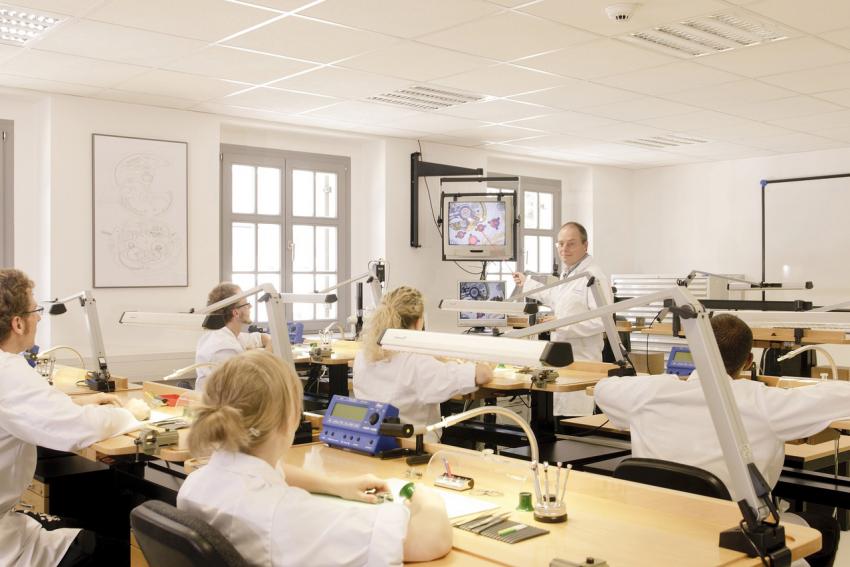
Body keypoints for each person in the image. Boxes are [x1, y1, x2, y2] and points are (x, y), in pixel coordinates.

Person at [596, 314, 845, 567]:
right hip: (734, 536)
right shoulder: (764, 403)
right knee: (826, 527)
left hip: (657, 528)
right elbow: (840, 397)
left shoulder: (648, 394)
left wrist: (656, 382)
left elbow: (603, 388)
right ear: (748, 362)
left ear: (695, 351)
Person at [178, 350, 452, 565]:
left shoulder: (197, 483)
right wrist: (424, 495)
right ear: (289, 421)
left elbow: (273, 472)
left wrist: (336, 486)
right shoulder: (288, 516)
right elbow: (432, 539)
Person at [0, 268, 139, 566]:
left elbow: (30, 410)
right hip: (4, 546)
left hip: (8, 525)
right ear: (18, 323)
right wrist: (129, 414)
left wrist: (79, 402)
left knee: (80, 526)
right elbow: (78, 429)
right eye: (35, 311)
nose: (39, 317)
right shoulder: (8, 371)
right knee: (114, 551)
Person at [353, 286, 493, 440]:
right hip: (415, 451)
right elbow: (482, 375)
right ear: (420, 322)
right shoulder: (417, 364)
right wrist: (487, 363)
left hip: (370, 444)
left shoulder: (362, 357)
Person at [513, 221, 612, 416]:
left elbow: (603, 321)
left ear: (585, 245)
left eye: (571, 243)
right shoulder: (569, 273)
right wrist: (527, 283)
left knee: (574, 425)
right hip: (562, 362)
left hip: (582, 362)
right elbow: (555, 296)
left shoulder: (594, 276)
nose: (564, 249)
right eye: (560, 243)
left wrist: (560, 326)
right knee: (560, 423)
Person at [195, 282, 271, 390]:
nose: (250, 306)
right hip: (220, 404)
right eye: (246, 304)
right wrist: (270, 351)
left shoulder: (226, 334)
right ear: (236, 313)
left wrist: (268, 339)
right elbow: (248, 384)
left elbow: (257, 338)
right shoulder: (224, 348)